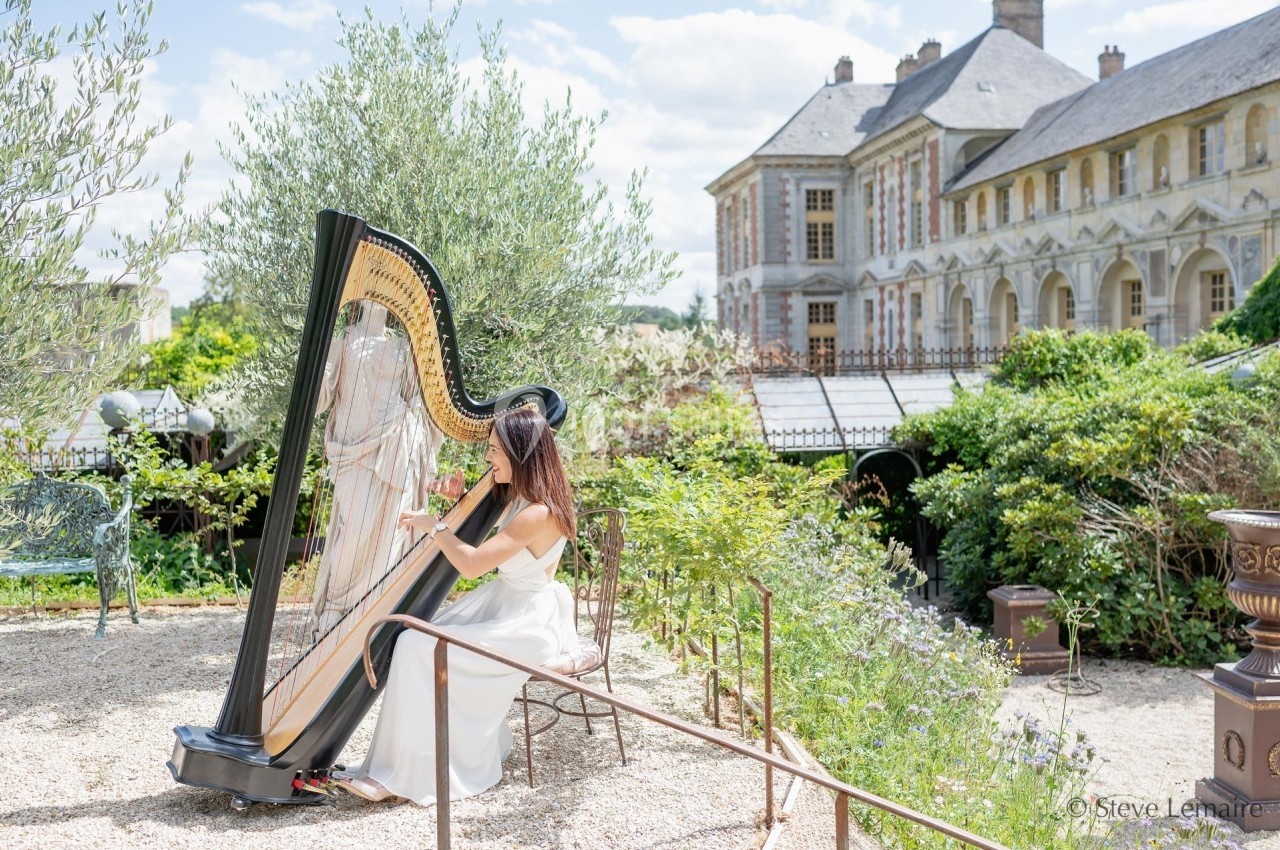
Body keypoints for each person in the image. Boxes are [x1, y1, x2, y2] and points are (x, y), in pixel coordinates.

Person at [335, 406, 580, 805]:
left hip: (526, 625)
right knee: (413, 637)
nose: (489, 459)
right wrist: (460, 498)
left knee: (416, 647)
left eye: (495, 451)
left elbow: (469, 565)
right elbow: (485, 522)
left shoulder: (538, 513)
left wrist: (435, 525)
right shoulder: (520, 497)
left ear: (520, 454)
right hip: (502, 606)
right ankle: (391, 765)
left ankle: (406, 774)